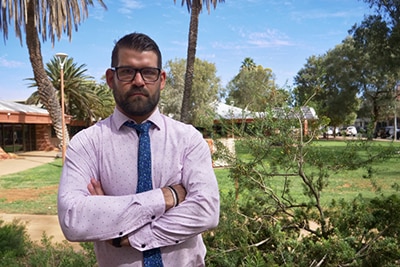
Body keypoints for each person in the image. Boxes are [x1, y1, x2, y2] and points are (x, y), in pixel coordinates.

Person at [57, 32, 220, 267]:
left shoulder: (188, 140)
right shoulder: (87, 144)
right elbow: (73, 219)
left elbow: (206, 211)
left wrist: (126, 234)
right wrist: (167, 197)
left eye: (148, 72)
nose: (139, 81)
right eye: (127, 71)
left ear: (161, 79)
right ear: (111, 78)